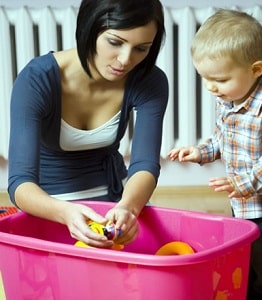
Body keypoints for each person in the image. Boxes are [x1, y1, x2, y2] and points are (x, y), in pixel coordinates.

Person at [8, 0, 168, 249]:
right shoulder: (37, 79)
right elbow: (20, 183)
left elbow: (145, 164)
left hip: (114, 202)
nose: (126, 60)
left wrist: (129, 207)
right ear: (88, 28)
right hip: (50, 208)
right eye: (115, 42)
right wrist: (65, 213)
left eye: (141, 48)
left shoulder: (150, 80)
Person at [168, 9, 262, 300]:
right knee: (250, 266)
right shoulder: (229, 97)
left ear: (256, 69)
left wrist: (244, 183)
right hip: (244, 206)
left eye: (220, 79)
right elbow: (224, 139)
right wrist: (201, 151)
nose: (211, 87)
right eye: (204, 78)